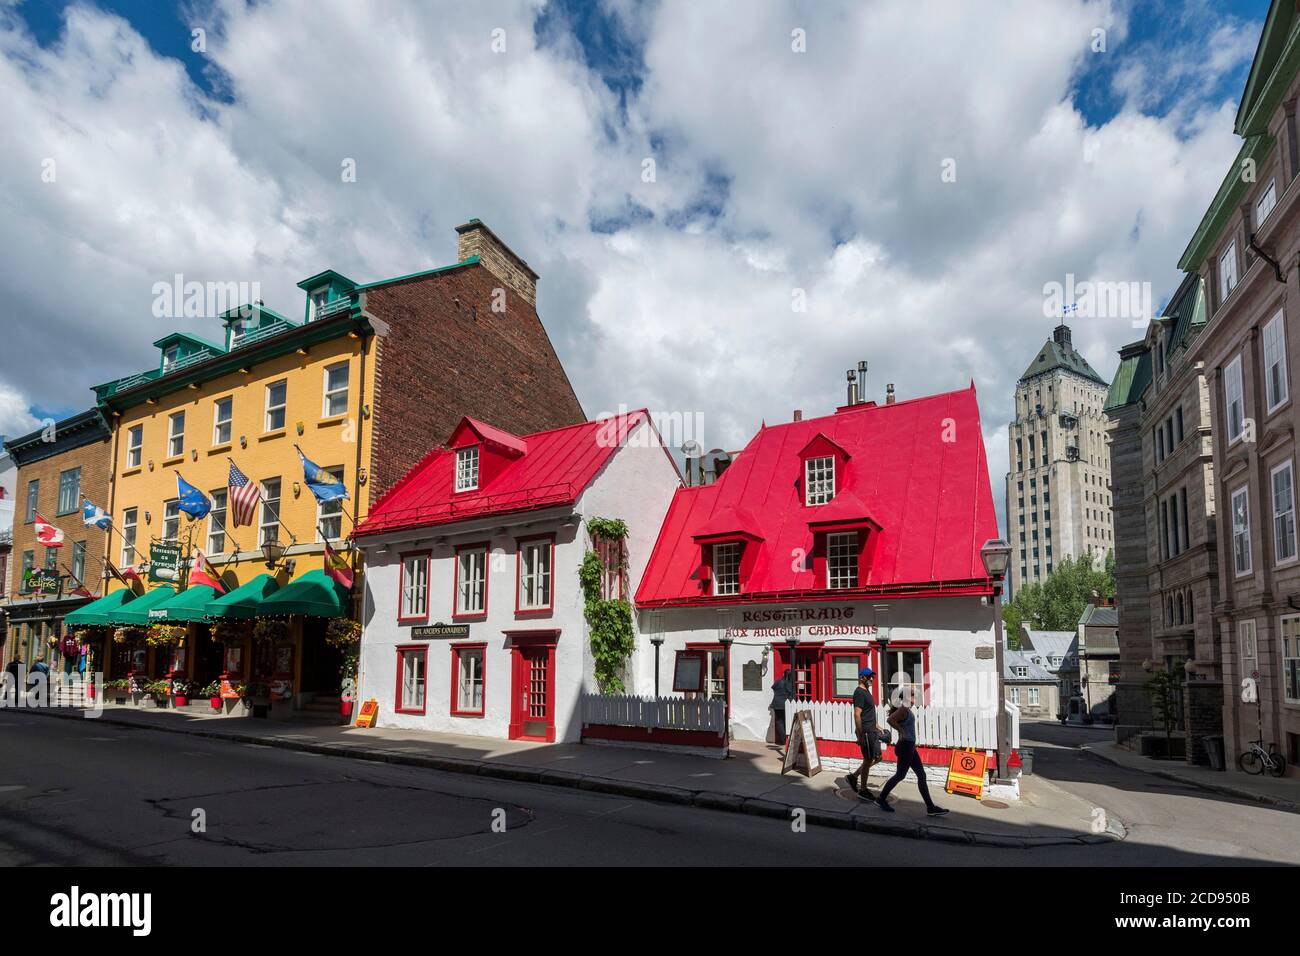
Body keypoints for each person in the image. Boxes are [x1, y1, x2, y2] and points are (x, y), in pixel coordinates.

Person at [874, 687, 948, 817]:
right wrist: (901, 732)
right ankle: (881, 799)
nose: (915, 699)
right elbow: (890, 720)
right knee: (901, 775)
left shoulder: (906, 709)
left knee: (921, 775)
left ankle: (930, 807)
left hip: (909, 746)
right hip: (905, 746)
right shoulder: (903, 709)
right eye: (913, 696)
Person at [845, 667, 881, 794]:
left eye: (873, 676)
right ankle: (863, 789)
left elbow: (868, 712)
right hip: (865, 731)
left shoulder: (867, 691)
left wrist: (878, 727)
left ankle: (853, 777)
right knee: (868, 759)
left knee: (878, 757)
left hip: (872, 729)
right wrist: (860, 735)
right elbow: (857, 714)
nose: (872, 679)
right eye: (869, 676)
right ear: (862, 678)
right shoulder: (859, 692)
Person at [771, 670, 794, 747]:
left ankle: (783, 739)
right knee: (786, 721)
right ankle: (786, 738)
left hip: (777, 703)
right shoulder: (790, 684)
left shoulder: (778, 681)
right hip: (786, 704)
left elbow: (773, 688)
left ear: (784, 674)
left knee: (779, 721)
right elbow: (792, 694)